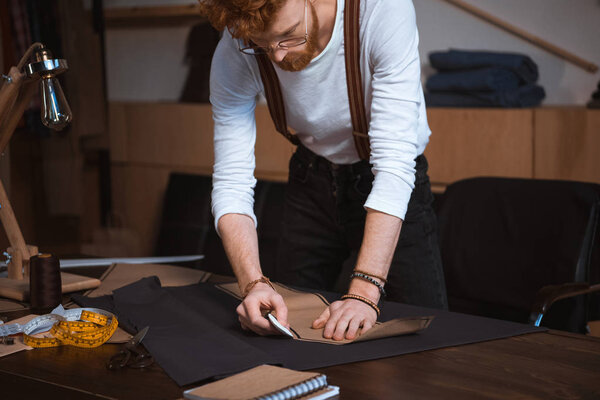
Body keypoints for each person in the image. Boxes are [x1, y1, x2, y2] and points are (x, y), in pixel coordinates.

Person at [199, 0, 448, 341]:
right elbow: (231, 180)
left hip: (390, 183)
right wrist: (253, 284)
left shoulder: (380, 9)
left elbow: (393, 164)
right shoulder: (236, 47)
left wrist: (364, 290)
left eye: (287, 36)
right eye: (261, 45)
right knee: (290, 330)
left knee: (426, 337)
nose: (277, 57)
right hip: (310, 180)